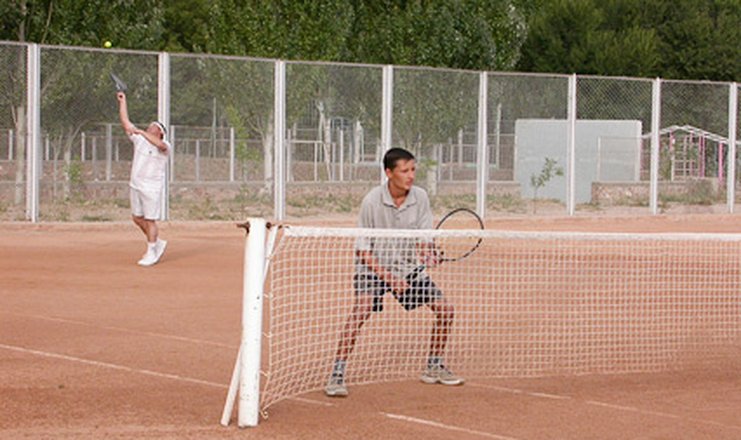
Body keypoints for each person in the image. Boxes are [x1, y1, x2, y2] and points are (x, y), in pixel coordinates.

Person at [324, 147, 463, 397]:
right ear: (389, 173)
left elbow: (423, 238)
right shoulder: (371, 201)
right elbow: (363, 250)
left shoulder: (420, 197)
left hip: (407, 268)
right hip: (373, 267)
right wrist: (388, 278)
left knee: (446, 310)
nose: (411, 176)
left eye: (413, 170)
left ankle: (434, 365)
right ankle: (337, 374)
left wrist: (428, 254)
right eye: (405, 171)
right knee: (361, 311)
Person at [117, 91, 170, 267]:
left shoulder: (165, 146)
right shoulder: (140, 140)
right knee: (137, 218)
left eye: (153, 127)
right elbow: (126, 123)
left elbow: (159, 144)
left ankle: (151, 251)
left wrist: (140, 131)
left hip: (151, 188)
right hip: (136, 185)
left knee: (150, 220)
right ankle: (157, 243)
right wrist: (123, 102)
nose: (149, 127)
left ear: (160, 132)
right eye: (149, 126)